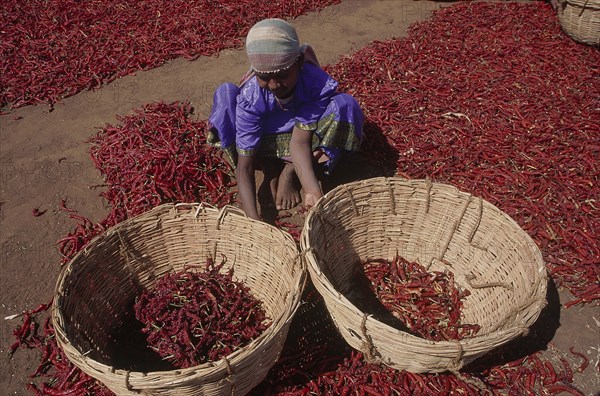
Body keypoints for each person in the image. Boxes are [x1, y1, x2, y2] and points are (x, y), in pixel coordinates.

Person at [207, 18, 364, 221]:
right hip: (263, 141)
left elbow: (299, 142)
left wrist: (311, 191)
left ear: (298, 63)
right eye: (264, 77)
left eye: (282, 75)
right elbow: (244, 166)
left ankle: (289, 170)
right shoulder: (251, 96)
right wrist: (253, 219)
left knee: (345, 106)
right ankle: (269, 168)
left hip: (305, 138)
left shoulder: (313, 82)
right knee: (226, 96)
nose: (273, 85)